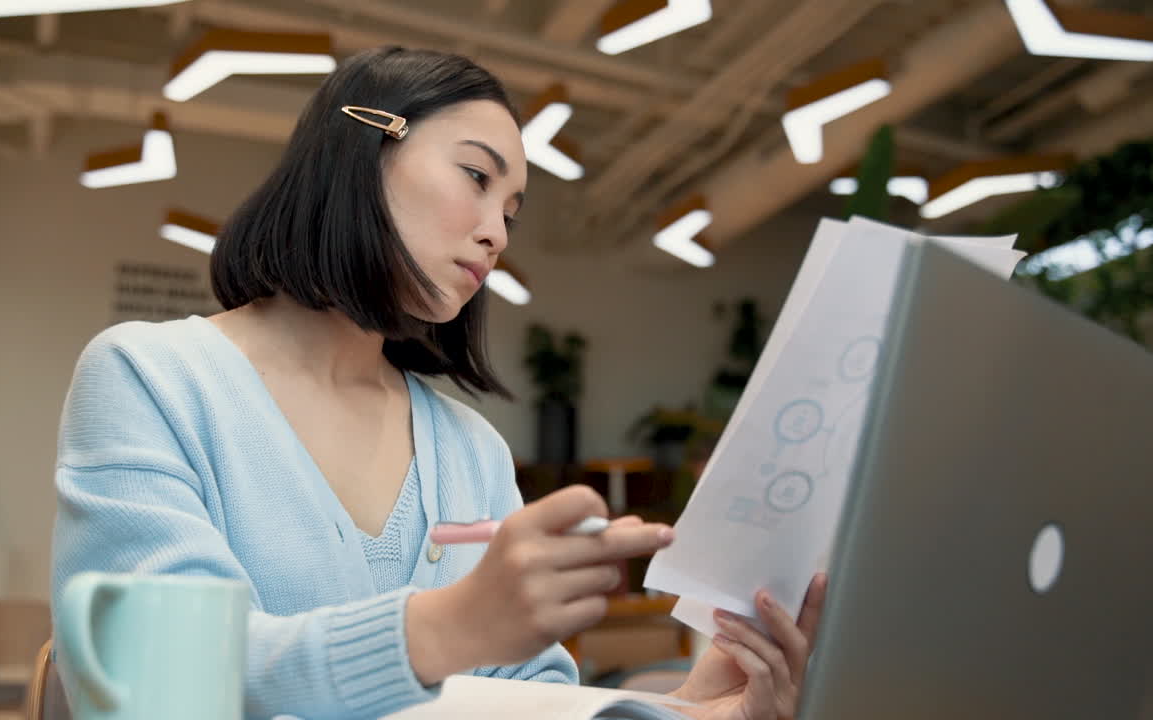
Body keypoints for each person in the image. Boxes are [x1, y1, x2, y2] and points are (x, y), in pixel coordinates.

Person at [50, 46, 826, 720]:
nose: (496, 231)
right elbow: (144, 673)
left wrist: (692, 703)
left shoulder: (470, 449)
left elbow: (531, 699)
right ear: (361, 146)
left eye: (512, 211)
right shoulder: (151, 378)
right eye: (475, 177)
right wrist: (447, 626)